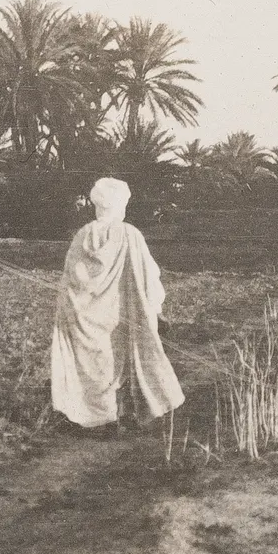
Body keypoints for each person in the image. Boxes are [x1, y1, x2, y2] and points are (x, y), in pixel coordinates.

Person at [50, 177, 185, 429]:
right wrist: (155, 308)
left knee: (93, 365)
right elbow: (148, 275)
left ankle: (98, 417)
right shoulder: (129, 234)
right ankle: (122, 413)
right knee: (122, 360)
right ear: (120, 205)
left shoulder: (82, 234)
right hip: (120, 314)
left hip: (85, 316)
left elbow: (70, 278)